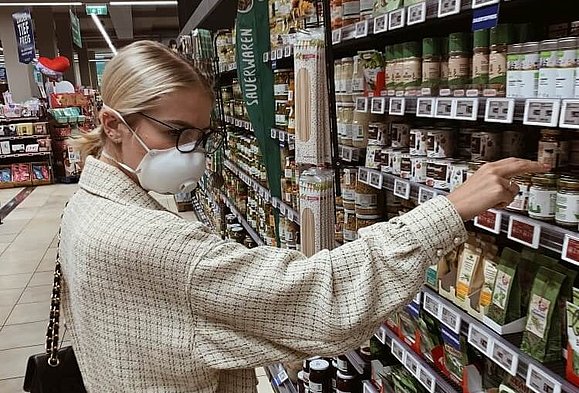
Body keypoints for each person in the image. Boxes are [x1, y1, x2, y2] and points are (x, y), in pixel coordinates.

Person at [62, 40, 548, 393]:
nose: (193, 154)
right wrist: (451, 208)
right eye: (178, 134)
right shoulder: (150, 241)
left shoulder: (85, 206)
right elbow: (325, 300)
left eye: (201, 137)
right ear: (113, 125)